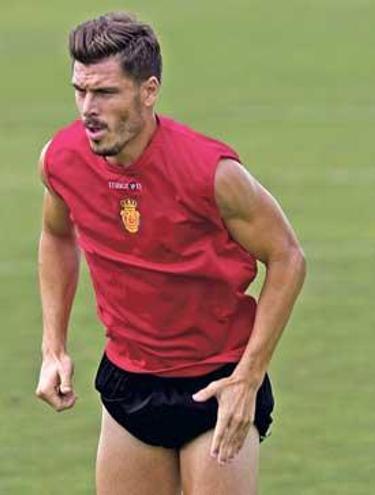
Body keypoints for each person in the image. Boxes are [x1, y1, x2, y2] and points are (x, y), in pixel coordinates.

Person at [35, 12, 306, 495]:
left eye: (105, 93)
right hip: (128, 378)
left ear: (149, 90)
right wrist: (53, 346)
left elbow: (287, 258)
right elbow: (57, 235)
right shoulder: (61, 159)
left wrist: (248, 379)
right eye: (80, 90)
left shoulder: (212, 172)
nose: (87, 109)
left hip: (216, 382)